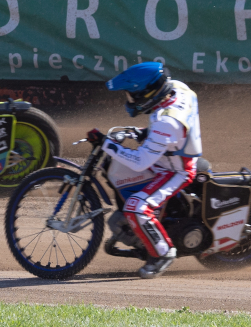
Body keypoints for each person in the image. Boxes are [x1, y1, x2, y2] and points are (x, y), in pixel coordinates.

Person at [86, 62, 203, 279]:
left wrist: (106, 143)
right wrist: (140, 133)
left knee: (136, 207)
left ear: (148, 93)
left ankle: (163, 253)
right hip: (169, 154)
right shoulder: (177, 88)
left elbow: (140, 161)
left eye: (133, 94)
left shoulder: (165, 122)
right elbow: (166, 128)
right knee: (116, 169)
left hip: (175, 171)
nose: (130, 99)